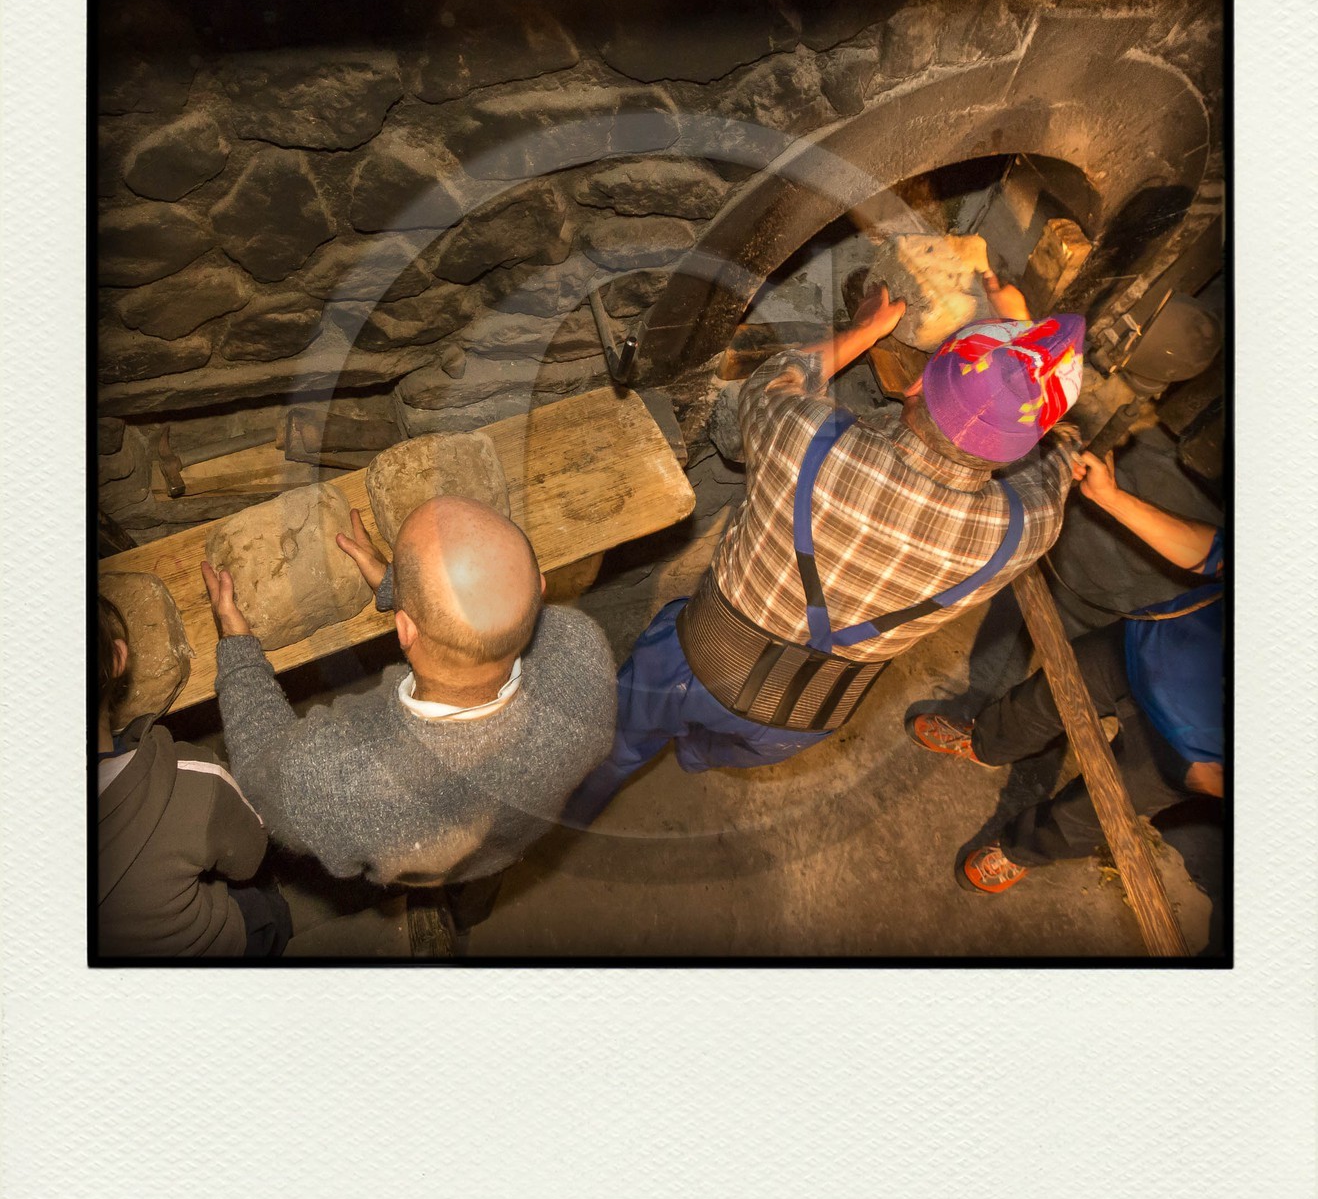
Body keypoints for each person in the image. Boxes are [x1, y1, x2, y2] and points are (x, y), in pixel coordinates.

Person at [563, 272, 1085, 827]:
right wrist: (1024, 360)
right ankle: (693, 753)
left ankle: (572, 813)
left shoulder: (808, 438)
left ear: (915, 384)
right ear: (1016, 449)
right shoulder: (1028, 530)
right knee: (710, 749)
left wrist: (865, 330)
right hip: (800, 722)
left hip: (694, 661)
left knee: (616, 749)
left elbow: (778, 378)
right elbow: (1063, 453)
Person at [201, 495, 616, 934]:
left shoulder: (339, 780)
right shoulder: (584, 656)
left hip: (422, 858)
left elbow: (259, 768)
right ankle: (471, 913)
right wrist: (400, 589)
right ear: (540, 590)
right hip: (509, 842)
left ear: (404, 629)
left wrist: (239, 652)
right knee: (483, 873)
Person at [907, 450, 1224, 895]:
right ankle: (984, 743)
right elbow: (1219, 553)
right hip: (1144, 646)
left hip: (1191, 753)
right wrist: (1111, 498)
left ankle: (1020, 850)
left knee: (1090, 814)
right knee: (1037, 703)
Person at [96, 593, 290, 958]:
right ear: (119, 658)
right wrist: (241, 653)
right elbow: (250, 853)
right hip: (220, 948)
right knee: (261, 899)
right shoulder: (188, 782)